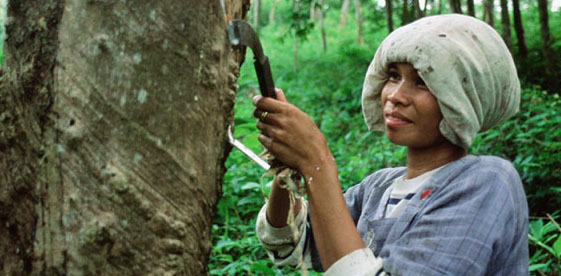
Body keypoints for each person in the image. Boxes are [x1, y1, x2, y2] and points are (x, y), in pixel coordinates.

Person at [252, 14, 528, 275]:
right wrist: (287, 166)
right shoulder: (377, 188)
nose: (395, 96)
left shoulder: (489, 182)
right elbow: (292, 240)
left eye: (423, 82)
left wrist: (316, 161)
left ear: (465, 101)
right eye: (394, 76)